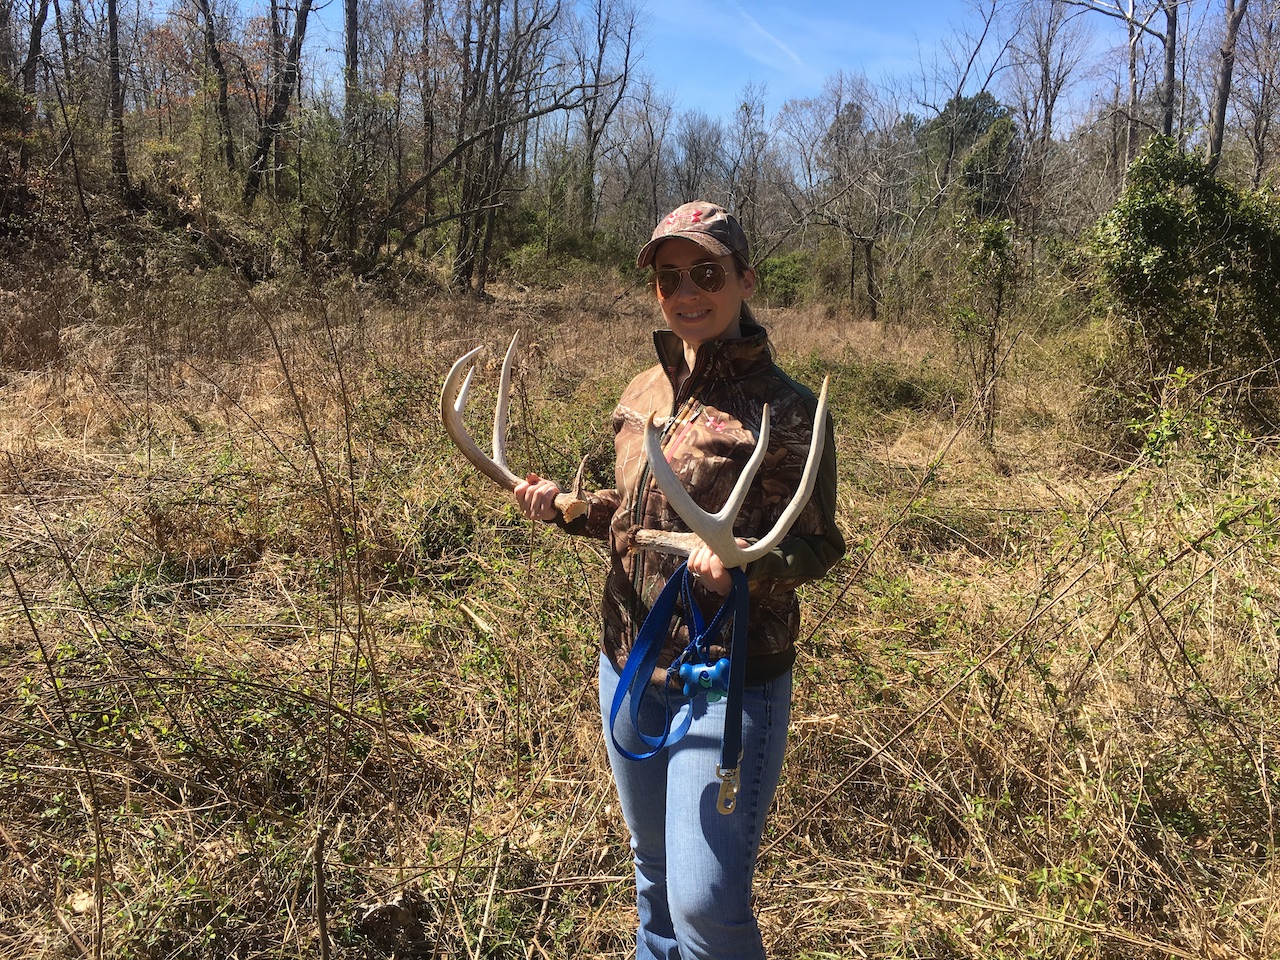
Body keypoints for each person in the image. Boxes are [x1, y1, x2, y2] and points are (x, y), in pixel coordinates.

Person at [514, 200, 845, 960]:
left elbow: (819, 548)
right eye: (669, 278)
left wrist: (746, 567)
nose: (687, 292)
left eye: (707, 274)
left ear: (745, 280)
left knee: (706, 906)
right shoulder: (644, 391)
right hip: (629, 662)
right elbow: (634, 513)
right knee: (655, 877)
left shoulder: (791, 412)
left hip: (727, 679)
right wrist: (566, 506)